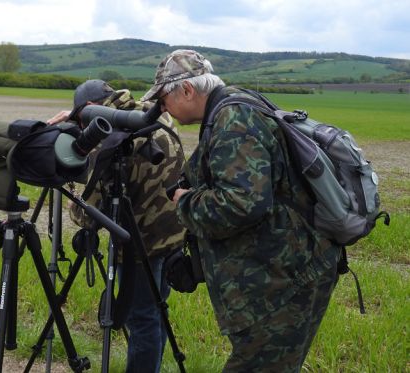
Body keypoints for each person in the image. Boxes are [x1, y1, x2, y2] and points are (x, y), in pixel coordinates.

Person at [142, 50, 341, 372]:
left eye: (163, 99)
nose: (161, 108)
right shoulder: (236, 105)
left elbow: (243, 203)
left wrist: (185, 201)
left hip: (284, 283)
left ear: (188, 91)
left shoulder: (233, 120)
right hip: (284, 273)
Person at [47, 79, 186, 373]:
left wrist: (75, 160)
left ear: (89, 109)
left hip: (138, 246)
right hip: (173, 235)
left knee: (142, 319)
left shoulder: (113, 142)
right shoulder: (155, 114)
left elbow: (89, 214)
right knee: (156, 312)